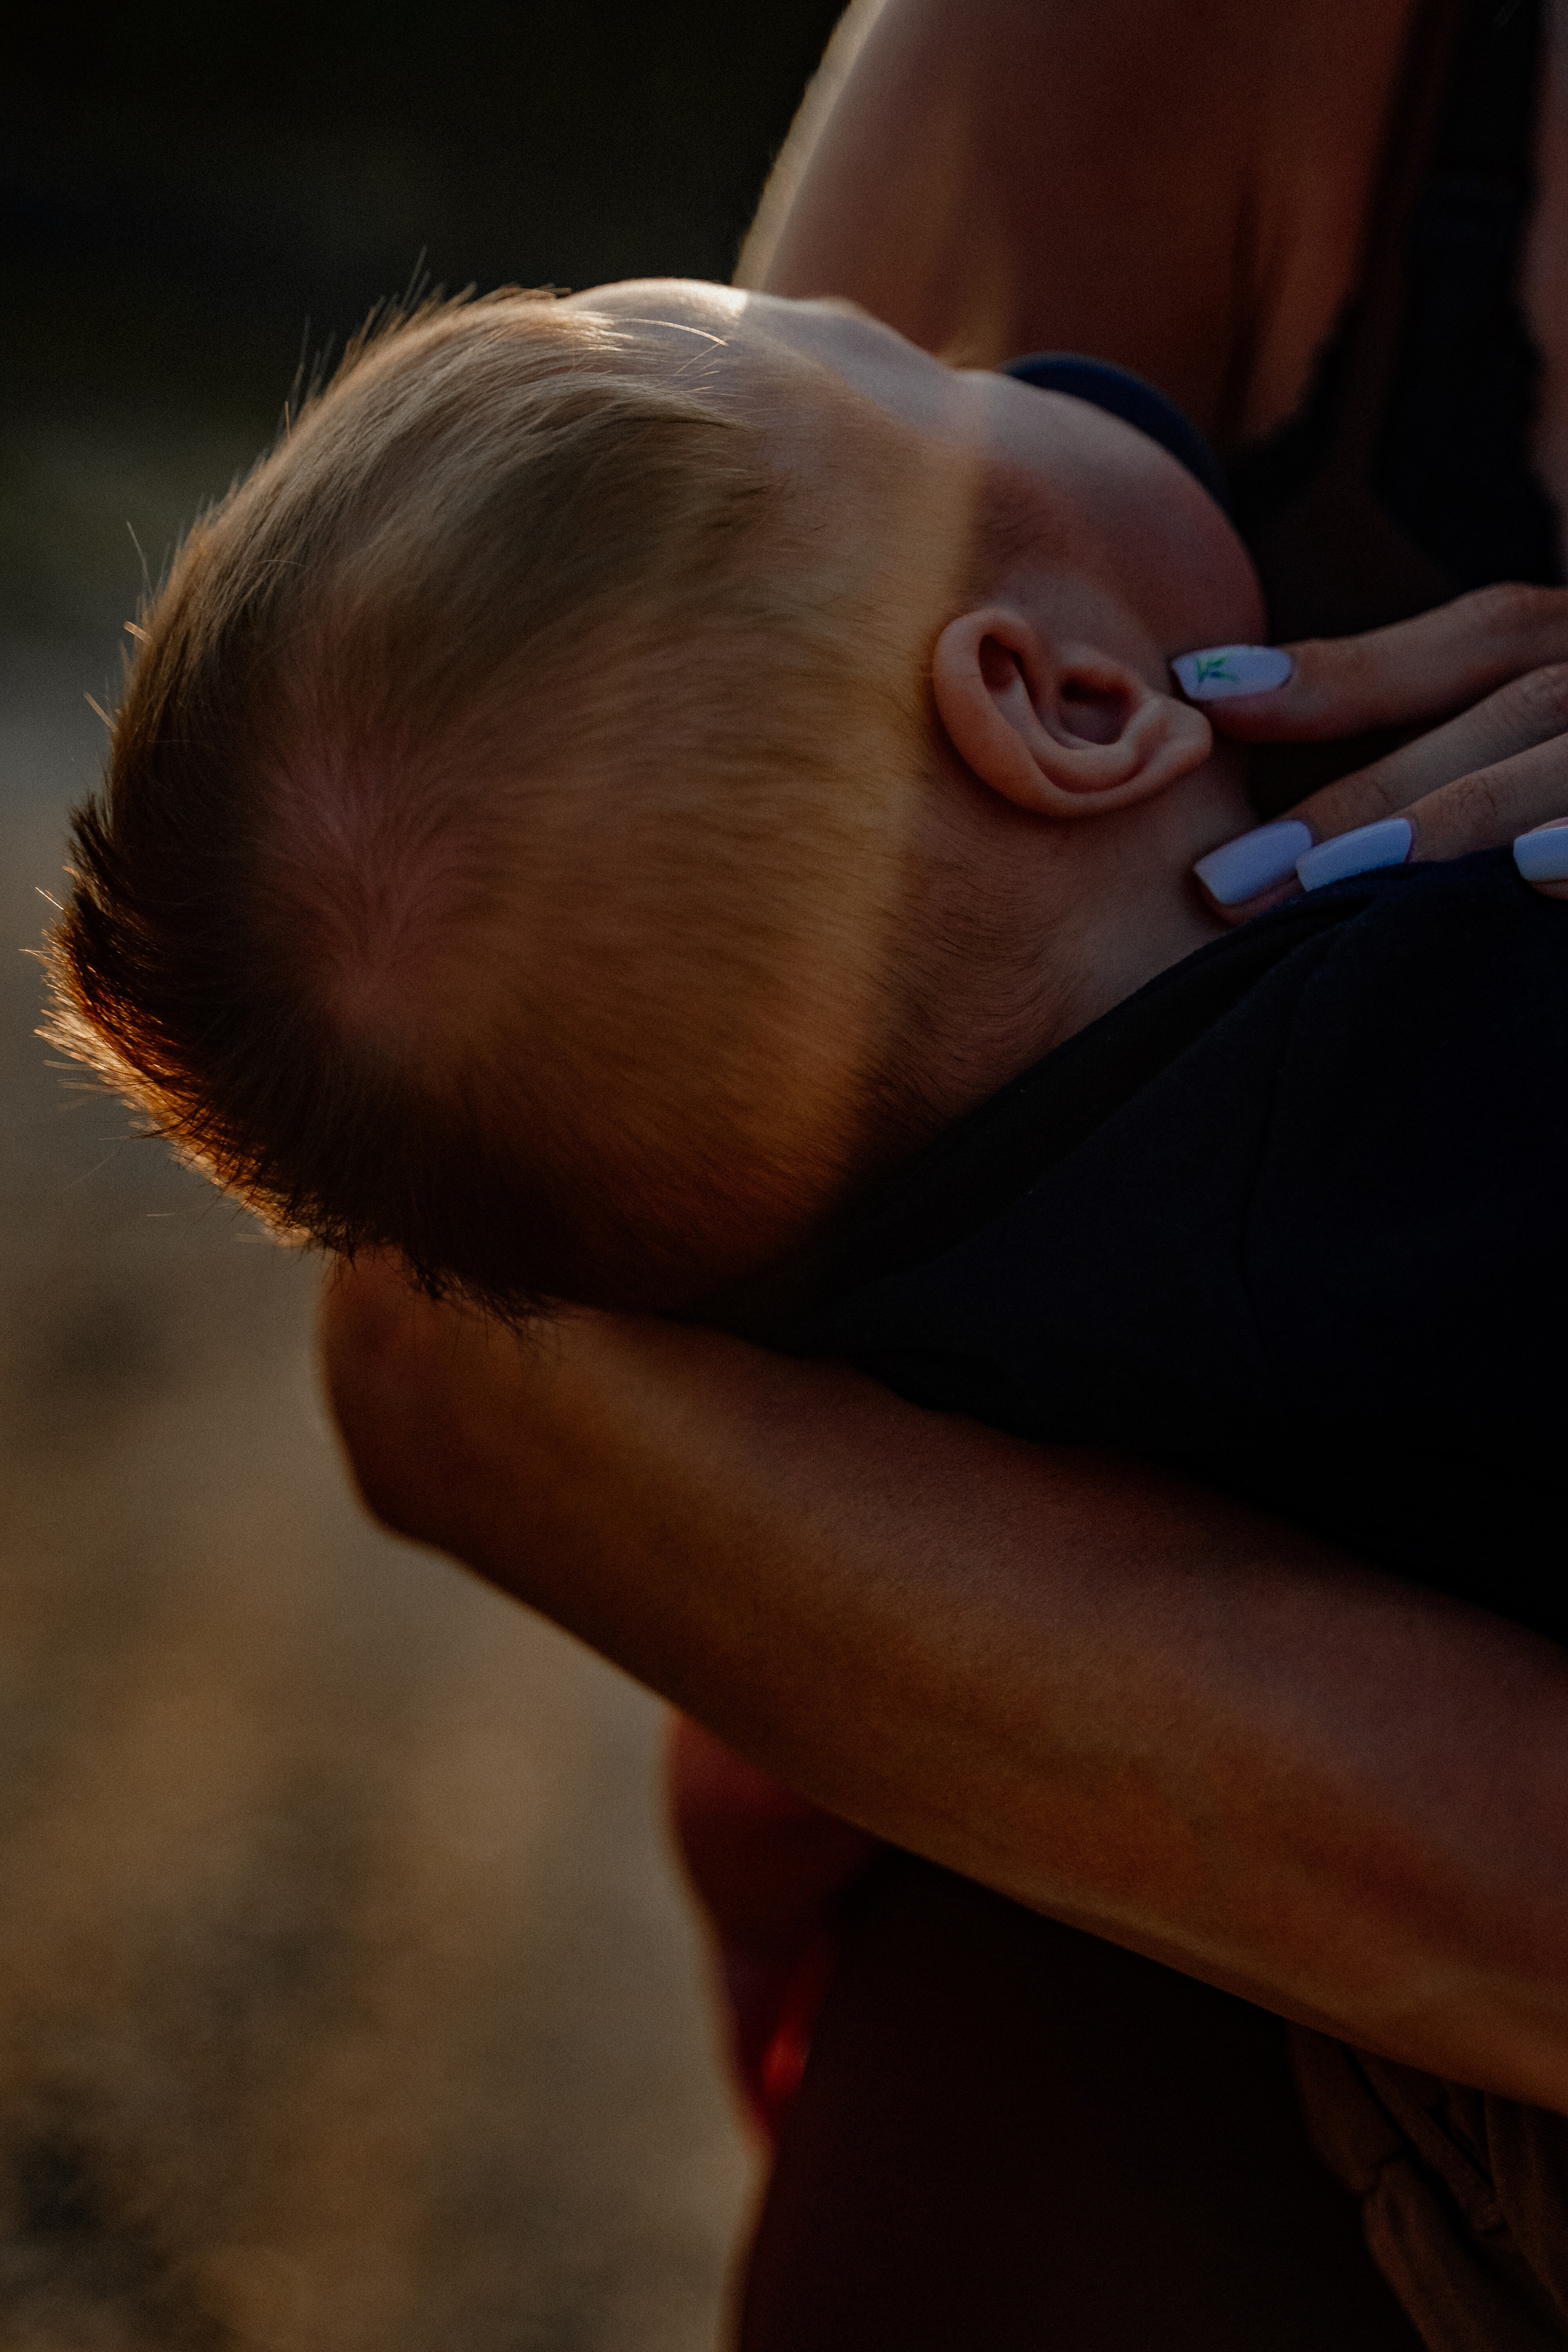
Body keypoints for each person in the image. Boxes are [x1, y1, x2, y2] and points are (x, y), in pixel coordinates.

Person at [42, 257, 1568, 2346]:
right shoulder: (1446, 1087)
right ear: (1067, 705)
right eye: (908, 369)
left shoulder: (879, 1330)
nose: (984, 345)